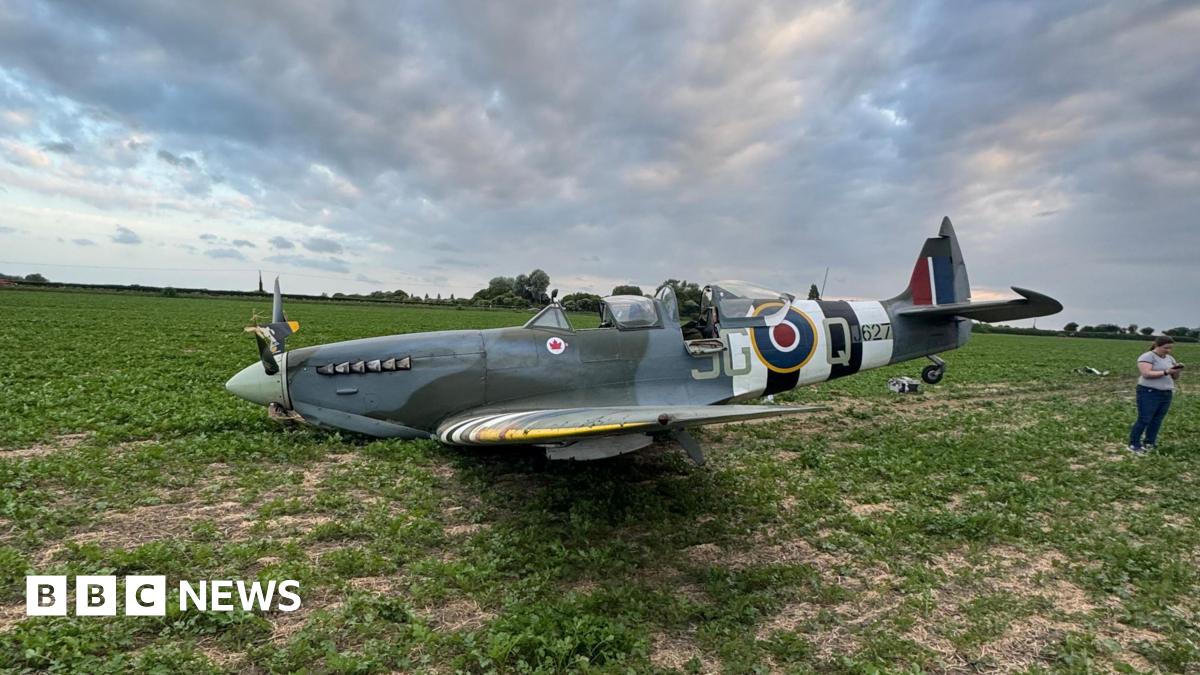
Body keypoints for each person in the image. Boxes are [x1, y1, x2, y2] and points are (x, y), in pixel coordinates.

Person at [1128, 335, 1183, 454]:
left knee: (1157, 420)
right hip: (1149, 392)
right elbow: (1146, 373)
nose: (1168, 351)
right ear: (1157, 346)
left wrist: (1176, 371)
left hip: (1166, 393)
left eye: (1170, 348)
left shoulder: (1170, 358)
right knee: (1144, 419)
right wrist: (1166, 371)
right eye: (1165, 348)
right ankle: (1133, 444)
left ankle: (1149, 442)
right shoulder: (1147, 356)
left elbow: (1175, 377)